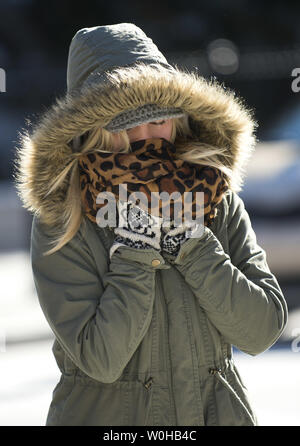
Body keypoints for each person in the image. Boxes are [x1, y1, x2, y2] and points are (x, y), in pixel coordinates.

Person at [14, 23, 288, 426]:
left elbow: (261, 330)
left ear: (179, 119)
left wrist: (193, 244)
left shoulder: (212, 193)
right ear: (91, 131)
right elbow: (101, 359)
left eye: (158, 119)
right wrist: (135, 251)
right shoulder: (65, 216)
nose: (146, 138)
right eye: (126, 124)